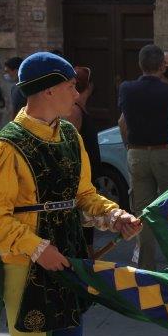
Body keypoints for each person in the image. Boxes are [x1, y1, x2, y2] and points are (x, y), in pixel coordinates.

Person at [0, 51, 141, 336]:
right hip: (25, 266)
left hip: (68, 260)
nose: (76, 94)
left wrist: (114, 216)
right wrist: (38, 249)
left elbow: (83, 195)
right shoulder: (3, 148)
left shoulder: (69, 135)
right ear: (48, 90)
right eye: (71, 86)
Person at [118, 44, 168, 270]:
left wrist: (129, 146)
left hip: (137, 153)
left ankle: (146, 266)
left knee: (142, 212)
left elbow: (122, 122)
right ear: (162, 66)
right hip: (165, 151)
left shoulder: (127, 89)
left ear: (140, 64)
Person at [64, 66, 102, 253]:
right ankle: (84, 262)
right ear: (89, 86)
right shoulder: (74, 111)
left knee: (88, 227)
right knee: (83, 230)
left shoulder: (80, 109)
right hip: (80, 181)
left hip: (88, 179)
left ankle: (87, 259)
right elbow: (67, 147)